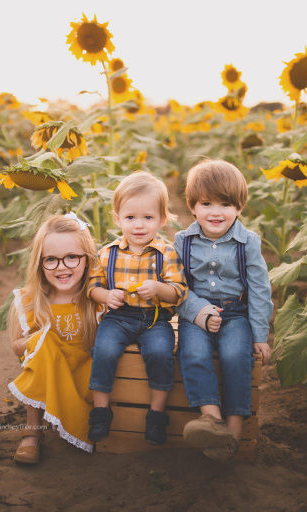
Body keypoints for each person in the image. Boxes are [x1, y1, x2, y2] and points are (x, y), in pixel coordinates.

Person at [175, 158, 273, 461]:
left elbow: (259, 289)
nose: (215, 212)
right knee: (192, 353)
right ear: (192, 206)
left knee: (235, 356)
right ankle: (211, 419)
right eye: (206, 203)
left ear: (239, 207)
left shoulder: (248, 243)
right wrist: (199, 311)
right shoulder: (183, 241)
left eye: (226, 204)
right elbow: (176, 286)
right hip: (196, 315)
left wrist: (260, 334)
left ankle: (232, 434)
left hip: (236, 313)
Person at [86, 171, 188, 446]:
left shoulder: (166, 253)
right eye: (130, 218)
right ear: (117, 218)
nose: (139, 225)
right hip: (118, 318)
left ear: (162, 219)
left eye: (148, 217)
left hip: (155, 319)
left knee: (160, 353)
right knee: (103, 351)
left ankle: (156, 414)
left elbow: (178, 291)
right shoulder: (108, 253)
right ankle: (101, 411)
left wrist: (158, 289)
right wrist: (106, 295)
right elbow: (92, 286)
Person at [7, 213, 100, 464]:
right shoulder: (32, 302)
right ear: (39, 263)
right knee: (40, 348)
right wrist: (36, 341)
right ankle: (32, 433)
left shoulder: (96, 299)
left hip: (86, 373)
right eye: (51, 260)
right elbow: (17, 347)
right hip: (48, 370)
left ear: (87, 258)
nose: (62, 267)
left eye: (72, 257)